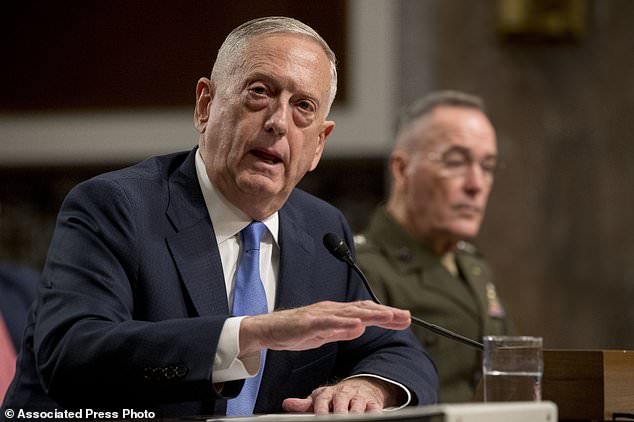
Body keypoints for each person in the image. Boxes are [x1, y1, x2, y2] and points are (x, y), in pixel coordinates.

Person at [1, 17, 437, 418]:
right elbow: (72, 354)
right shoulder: (114, 207)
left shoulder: (323, 230)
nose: (279, 122)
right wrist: (248, 334)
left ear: (319, 143)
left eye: (303, 105)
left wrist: (367, 387)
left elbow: (401, 353)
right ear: (205, 106)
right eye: (260, 92)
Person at [355, 91, 514, 403]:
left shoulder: (474, 266)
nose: (476, 184)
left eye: (488, 166)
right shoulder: (362, 267)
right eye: (456, 162)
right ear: (402, 170)